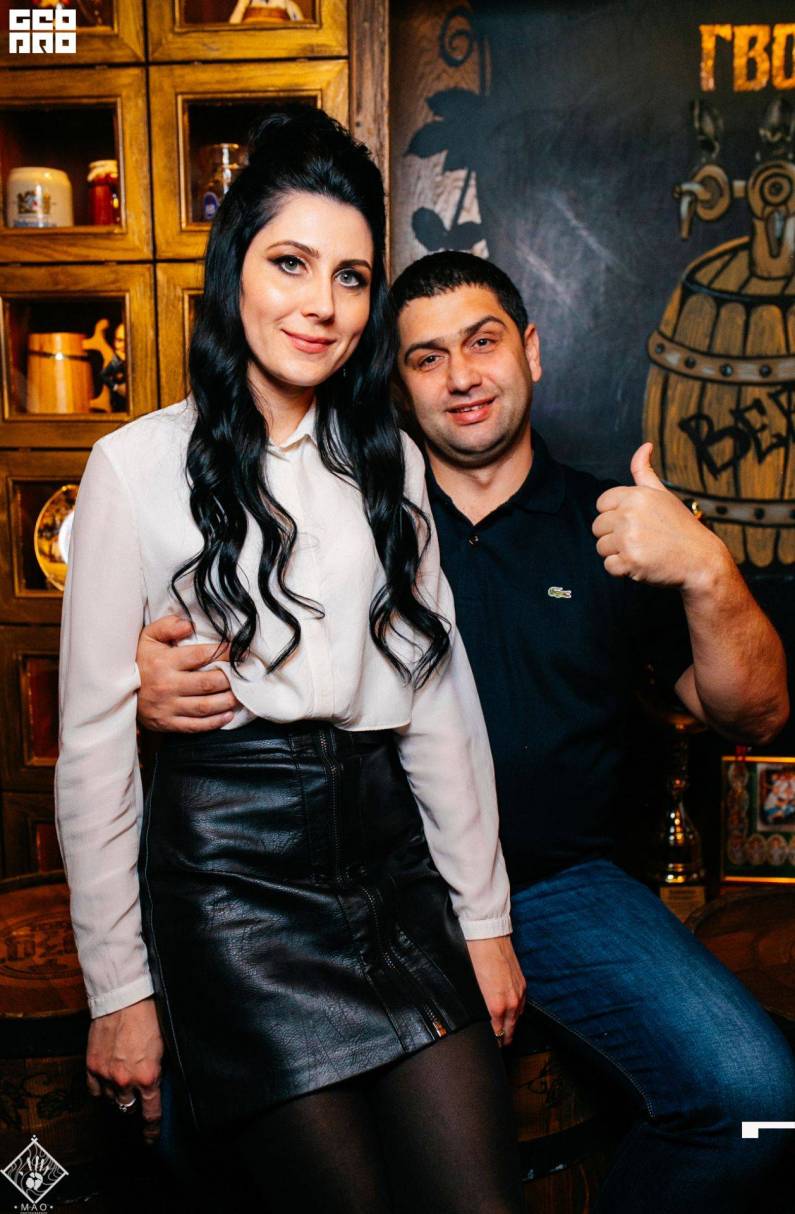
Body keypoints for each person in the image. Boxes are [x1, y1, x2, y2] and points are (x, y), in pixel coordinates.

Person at [137, 249, 795, 1214]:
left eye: (481, 343)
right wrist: (151, 678)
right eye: (425, 357)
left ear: (530, 350)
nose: (459, 377)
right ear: (395, 385)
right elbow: (231, 651)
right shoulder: (347, 518)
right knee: (194, 1132)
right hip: (362, 889)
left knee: (758, 1102)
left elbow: (755, 713)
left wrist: (707, 570)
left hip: (560, 888)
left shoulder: (612, 521)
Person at [54, 116, 527, 1214]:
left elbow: (439, 703)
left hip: (391, 874)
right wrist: (120, 989)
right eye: (291, 263)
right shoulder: (131, 466)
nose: (323, 303)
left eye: (351, 276)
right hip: (235, 891)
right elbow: (92, 749)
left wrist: (484, 922)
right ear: (236, 272)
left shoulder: (389, 460)